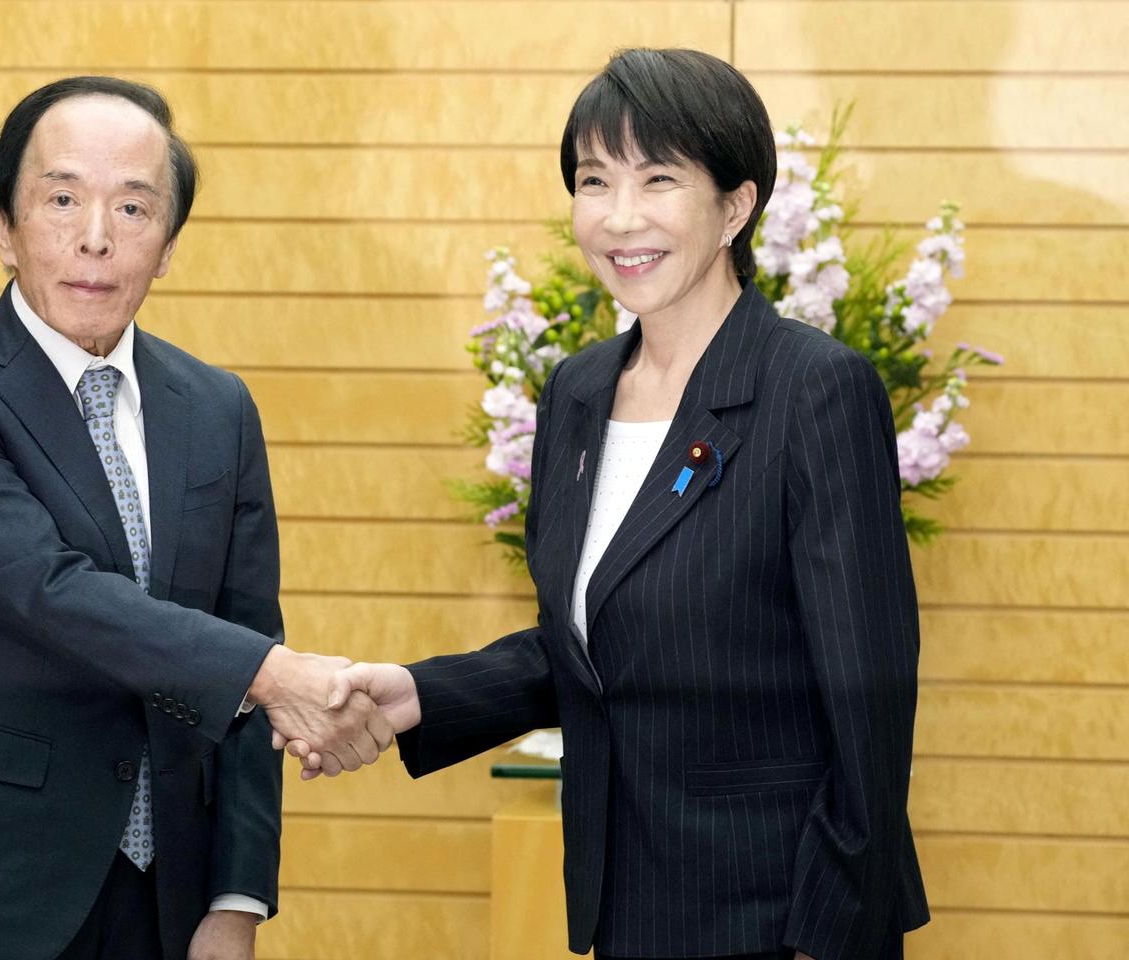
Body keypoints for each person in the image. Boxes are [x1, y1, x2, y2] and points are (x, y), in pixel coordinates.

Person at [285, 49, 930, 960]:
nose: (620, 217)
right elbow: (596, 646)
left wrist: (831, 934)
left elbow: (870, 694)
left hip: (778, 914)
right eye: (594, 181)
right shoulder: (578, 391)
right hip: (630, 905)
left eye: (659, 179)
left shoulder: (813, 390)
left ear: (736, 207)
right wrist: (418, 696)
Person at [0, 76, 392, 960]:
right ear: (3, 223)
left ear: (168, 245)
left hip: (169, 899)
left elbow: (248, 633)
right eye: (62, 199)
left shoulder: (217, 408)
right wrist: (273, 674)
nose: (96, 237)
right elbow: (48, 591)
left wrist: (238, 897)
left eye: (133, 207)